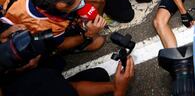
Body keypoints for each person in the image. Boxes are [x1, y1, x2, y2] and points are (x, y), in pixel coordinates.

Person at [0, 21, 135, 96]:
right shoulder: (32, 88)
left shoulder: (35, 80)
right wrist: (119, 91)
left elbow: (73, 87)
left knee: (98, 75)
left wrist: (114, 86)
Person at [2, 0, 106, 52]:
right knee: (97, 42)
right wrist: (87, 34)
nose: (83, 4)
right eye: (77, 5)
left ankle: (86, 23)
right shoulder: (32, 23)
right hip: (42, 34)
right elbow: (60, 45)